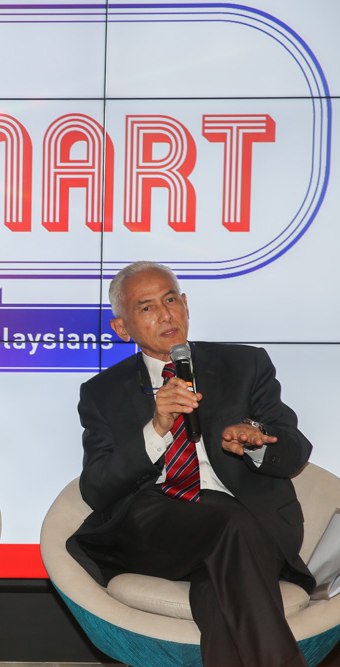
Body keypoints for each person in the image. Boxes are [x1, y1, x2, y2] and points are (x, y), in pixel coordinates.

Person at [67, 261, 314, 667]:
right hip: (158, 528)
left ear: (185, 304)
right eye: (146, 307)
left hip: (250, 526)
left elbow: (295, 451)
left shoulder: (245, 366)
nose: (165, 314)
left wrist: (256, 441)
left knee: (216, 595)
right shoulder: (101, 393)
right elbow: (96, 487)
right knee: (231, 522)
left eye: (170, 300)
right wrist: (156, 428)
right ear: (122, 328)